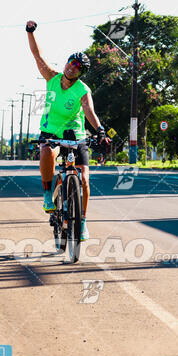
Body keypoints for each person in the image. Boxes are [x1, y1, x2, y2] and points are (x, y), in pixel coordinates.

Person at [26, 20, 109, 241]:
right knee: (46, 152)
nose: (72, 66)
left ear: (81, 73)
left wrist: (100, 131)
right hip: (51, 133)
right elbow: (37, 55)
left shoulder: (83, 90)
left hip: (76, 136)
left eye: (77, 67)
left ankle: (81, 222)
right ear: (67, 63)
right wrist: (30, 32)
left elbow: (89, 111)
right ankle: (47, 196)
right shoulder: (52, 78)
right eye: (71, 62)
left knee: (83, 179)